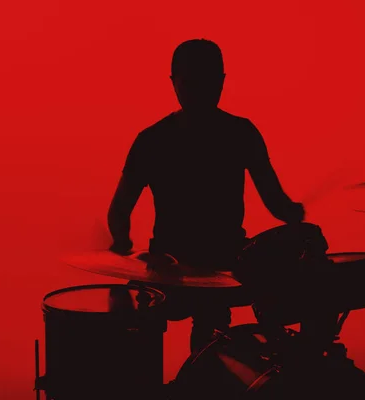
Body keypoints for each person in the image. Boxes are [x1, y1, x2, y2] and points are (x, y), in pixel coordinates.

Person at [107, 38, 304, 352]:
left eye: (206, 82)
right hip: (205, 265)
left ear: (221, 82)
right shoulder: (241, 133)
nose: (199, 91)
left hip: (198, 267)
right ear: (174, 82)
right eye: (192, 83)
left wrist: (121, 242)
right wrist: (293, 212)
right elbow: (276, 203)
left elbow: (119, 211)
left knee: (144, 325)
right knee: (208, 337)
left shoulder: (152, 140)